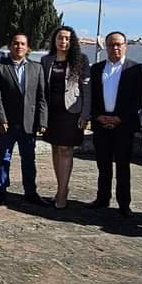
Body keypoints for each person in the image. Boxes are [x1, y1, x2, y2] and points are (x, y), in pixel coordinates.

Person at [89, 31, 142, 217]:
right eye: (111, 45)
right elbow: (92, 96)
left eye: (119, 44)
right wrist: (98, 116)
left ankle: (124, 203)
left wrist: (120, 118)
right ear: (106, 47)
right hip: (101, 123)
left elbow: (138, 98)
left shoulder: (136, 69)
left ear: (125, 46)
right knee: (102, 164)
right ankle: (102, 197)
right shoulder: (96, 68)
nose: (115, 48)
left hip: (124, 124)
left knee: (123, 165)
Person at [0, 32, 48, 206]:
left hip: (29, 124)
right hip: (6, 124)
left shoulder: (37, 68)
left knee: (29, 159)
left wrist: (42, 121)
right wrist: (1, 119)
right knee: (4, 158)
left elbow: (41, 97)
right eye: (15, 43)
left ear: (28, 48)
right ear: (10, 46)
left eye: (23, 44)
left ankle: (30, 191)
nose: (19, 46)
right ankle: (1, 190)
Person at [40, 25, 91, 208]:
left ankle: (62, 192)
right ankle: (61, 187)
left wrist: (85, 115)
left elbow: (87, 88)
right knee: (55, 149)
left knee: (66, 150)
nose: (64, 41)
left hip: (72, 112)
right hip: (52, 112)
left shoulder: (80, 60)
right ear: (54, 40)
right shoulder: (47, 60)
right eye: (60, 38)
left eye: (68, 39)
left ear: (72, 41)